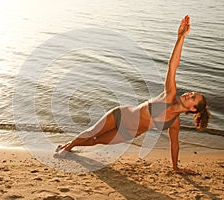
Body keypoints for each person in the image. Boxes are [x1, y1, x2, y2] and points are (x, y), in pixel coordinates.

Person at [55, 15, 210, 174]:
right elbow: (172, 66)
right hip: (120, 115)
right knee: (93, 132)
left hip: (128, 132)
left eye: (193, 98)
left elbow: (174, 145)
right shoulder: (170, 95)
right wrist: (180, 38)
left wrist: (176, 168)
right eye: (192, 93)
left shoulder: (174, 123)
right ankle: (68, 147)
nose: (189, 95)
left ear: (192, 109)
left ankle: (71, 145)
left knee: (96, 140)